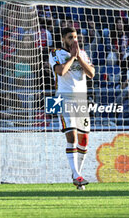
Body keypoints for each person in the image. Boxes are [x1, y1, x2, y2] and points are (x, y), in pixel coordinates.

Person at [49, 27, 95, 189]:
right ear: (63, 39)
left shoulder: (83, 53)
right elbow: (60, 72)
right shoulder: (56, 53)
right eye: (70, 37)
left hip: (82, 101)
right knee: (72, 137)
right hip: (64, 99)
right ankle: (76, 174)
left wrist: (79, 58)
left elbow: (91, 73)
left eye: (76, 37)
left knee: (84, 140)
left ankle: (77, 174)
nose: (74, 40)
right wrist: (72, 58)